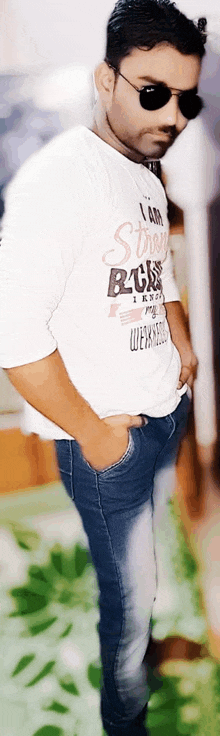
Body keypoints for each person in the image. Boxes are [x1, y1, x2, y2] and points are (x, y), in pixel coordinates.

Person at [0, 1, 206, 733]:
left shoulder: (145, 179)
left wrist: (179, 339)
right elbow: (16, 337)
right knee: (123, 614)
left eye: (189, 98)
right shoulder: (60, 181)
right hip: (110, 442)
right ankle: (129, 722)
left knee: (145, 577)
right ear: (104, 80)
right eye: (153, 92)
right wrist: (92, 435)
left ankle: (149, 654)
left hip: (162, 413)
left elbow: (161, 273)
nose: (174, 114)